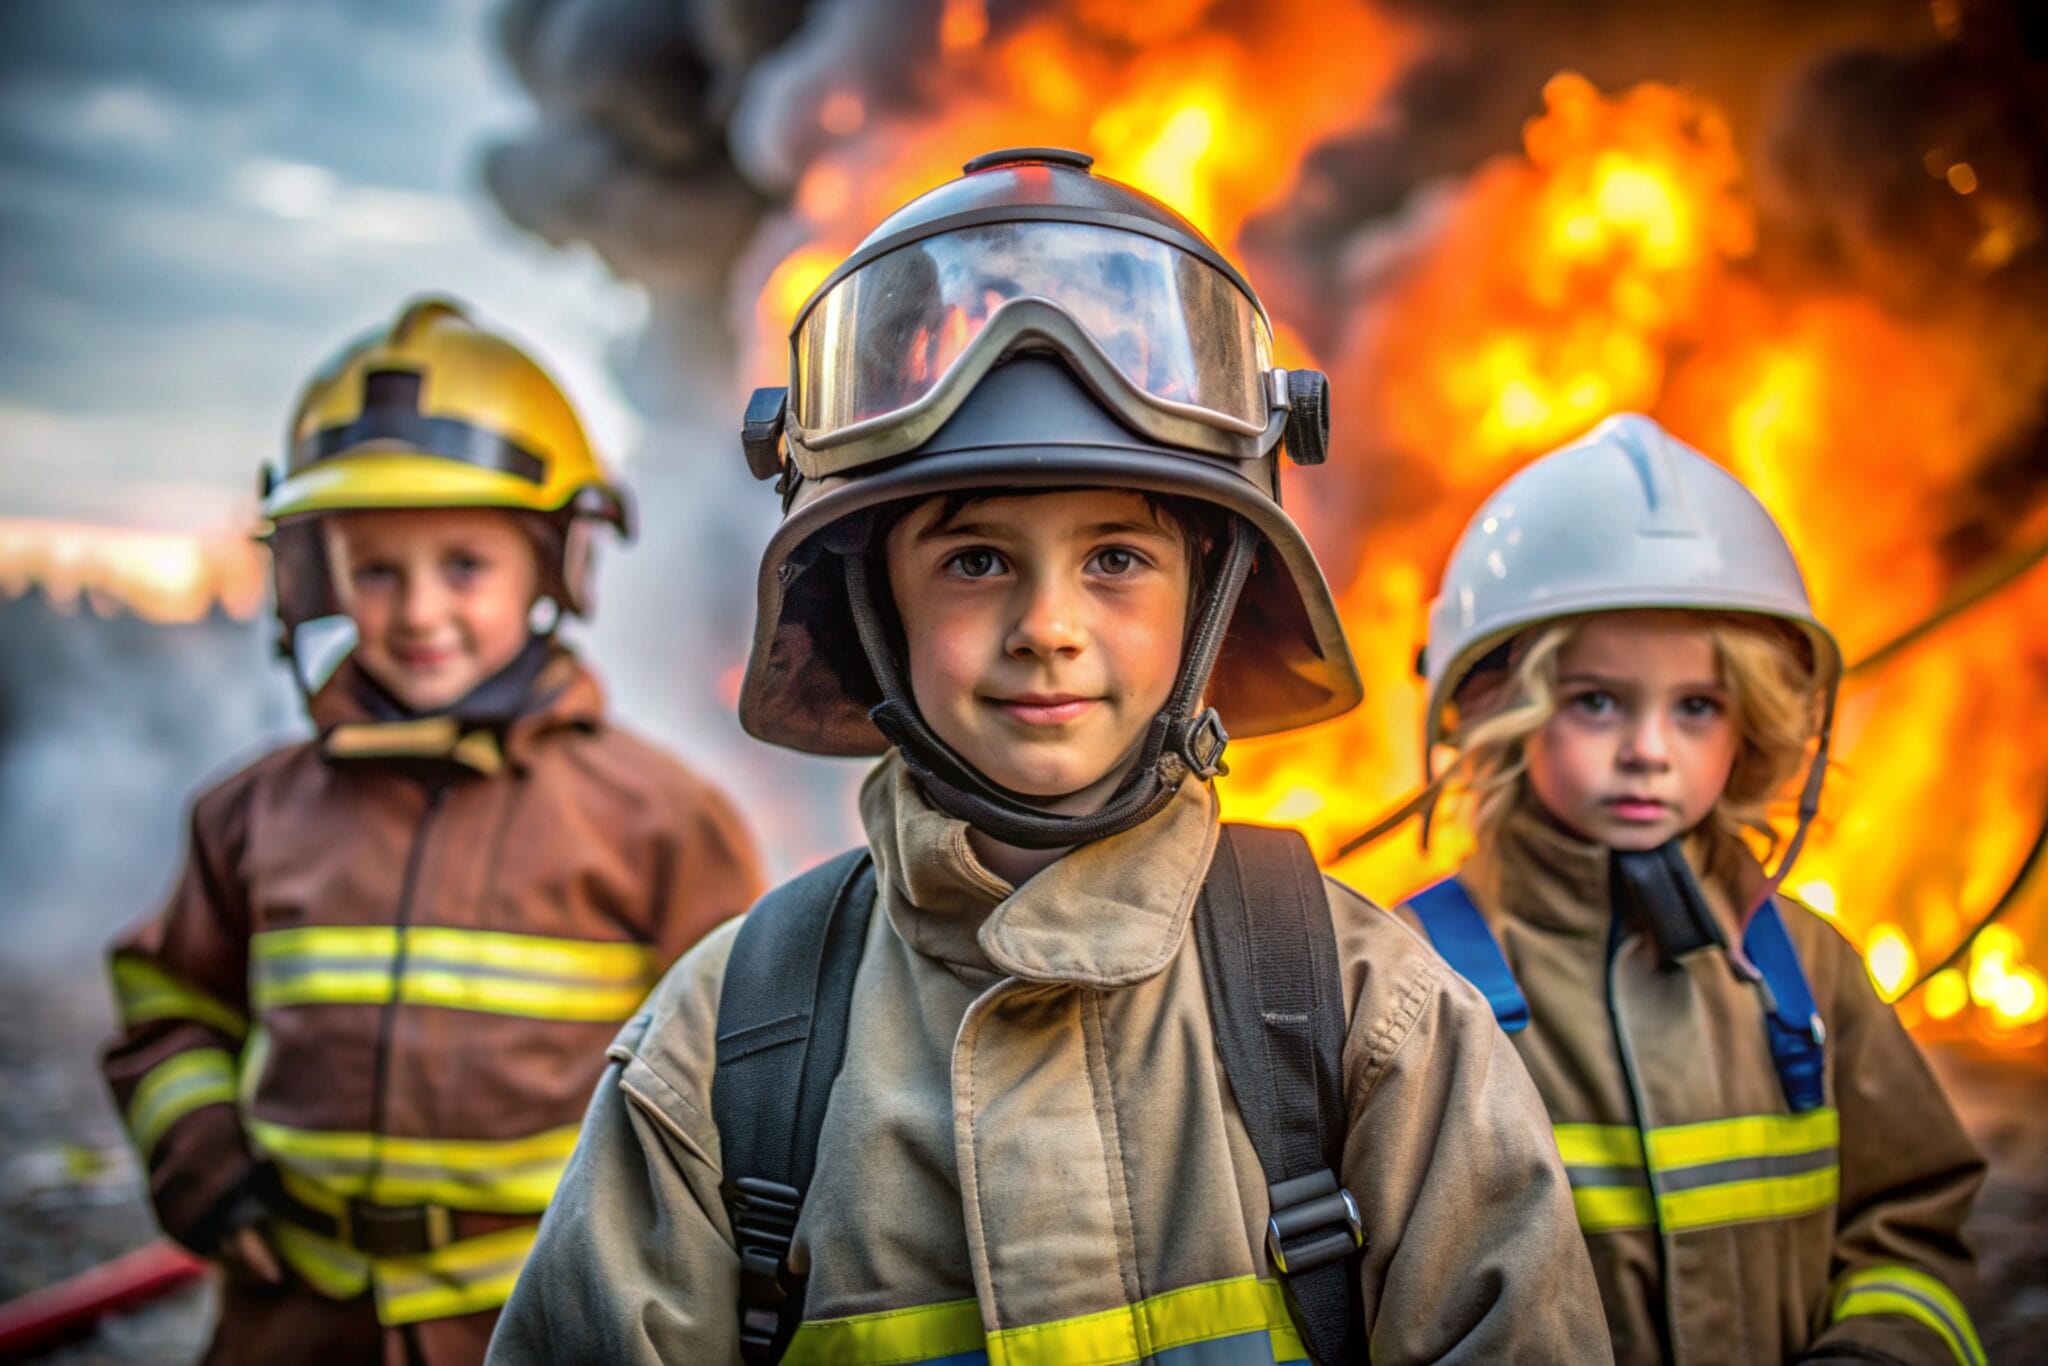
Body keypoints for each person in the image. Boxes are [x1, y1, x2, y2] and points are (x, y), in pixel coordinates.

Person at [492, 148, 1607, 1364]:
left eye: (1116, 559)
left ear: (1210, 598)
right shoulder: (729, 1045)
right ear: (875, 608)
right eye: (974, 560)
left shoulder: (1359, 1014)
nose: (1048, 628)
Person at [101, 297, 765, 1364]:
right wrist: (202, 1159)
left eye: (464, 566)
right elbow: (169, 1002)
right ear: (314, 578)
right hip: (292, 1322)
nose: (417, 612)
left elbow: (745, 1071)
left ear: (554, 566)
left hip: (547, 1320)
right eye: (375, 570)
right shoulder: (247, 814)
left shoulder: (657, 818)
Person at [1398, 413, 1986, 1365]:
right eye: (1597, 700)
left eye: (1698, 707)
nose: (1649, 751)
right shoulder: (1410, 984)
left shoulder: (1805, 966)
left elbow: (1914, 1224)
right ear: (1495, 710)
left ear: (1750, 723)